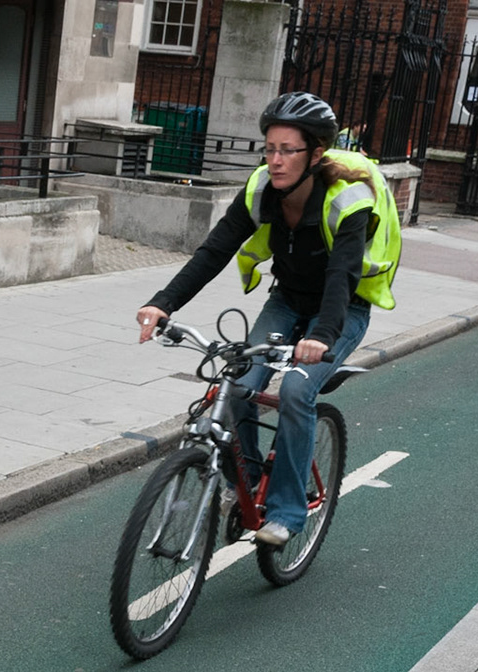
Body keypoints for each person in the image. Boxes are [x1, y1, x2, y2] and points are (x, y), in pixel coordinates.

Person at [133, 92, 400, 547]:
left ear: (315, 154)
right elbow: (215, 249)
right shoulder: (261, 189)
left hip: (342, 310)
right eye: (270, 149)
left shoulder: (348, 201)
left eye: (287, 151)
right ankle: (248, 486)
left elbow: (341, 278)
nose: (275, 161)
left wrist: (320, 336)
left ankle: (287, 511)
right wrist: (164, 303)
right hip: (287, 300)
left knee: (297, 388)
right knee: (236, 384)